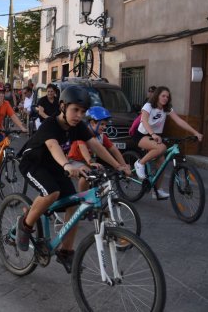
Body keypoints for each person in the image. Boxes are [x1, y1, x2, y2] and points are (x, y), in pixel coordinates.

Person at [17, 86, 130, 273]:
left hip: (55, 166)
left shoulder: (78, 127)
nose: (79, 115)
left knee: (74, 203)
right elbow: (53, 146)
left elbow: (96, 145)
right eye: (75, 110)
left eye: (83, 111)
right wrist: (67, 165)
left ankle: (66, 251)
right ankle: (25, 225)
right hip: (33, 163)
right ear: (63, 106)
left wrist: (118, 165)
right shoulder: (50, 124)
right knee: (51, 192)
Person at [132, 86, 203, 199]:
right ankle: (140, 163)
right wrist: (153, 134)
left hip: (155, 137)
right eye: (163, 96)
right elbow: (144, 121)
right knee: (162, 148)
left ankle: (157, 191)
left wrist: (195, 132)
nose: (165, 98)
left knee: (162, 163)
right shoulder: (149, 105)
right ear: (157, 96)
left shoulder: (167, 108)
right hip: (142, 135)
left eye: (167, 97)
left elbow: (179, 121)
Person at [68, 106, 128, 191]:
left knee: (102, 174)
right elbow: (82, 147)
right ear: (92, 123)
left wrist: (124, 166)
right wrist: (90, 162)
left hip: (88, 161)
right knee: (87, 175)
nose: (105, 127)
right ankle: (82, 200)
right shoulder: (83, 133)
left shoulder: (101, 136)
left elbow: (113, 149)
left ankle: (93, 196)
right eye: (102, 124)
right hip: (74, 160)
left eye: (105, 125)